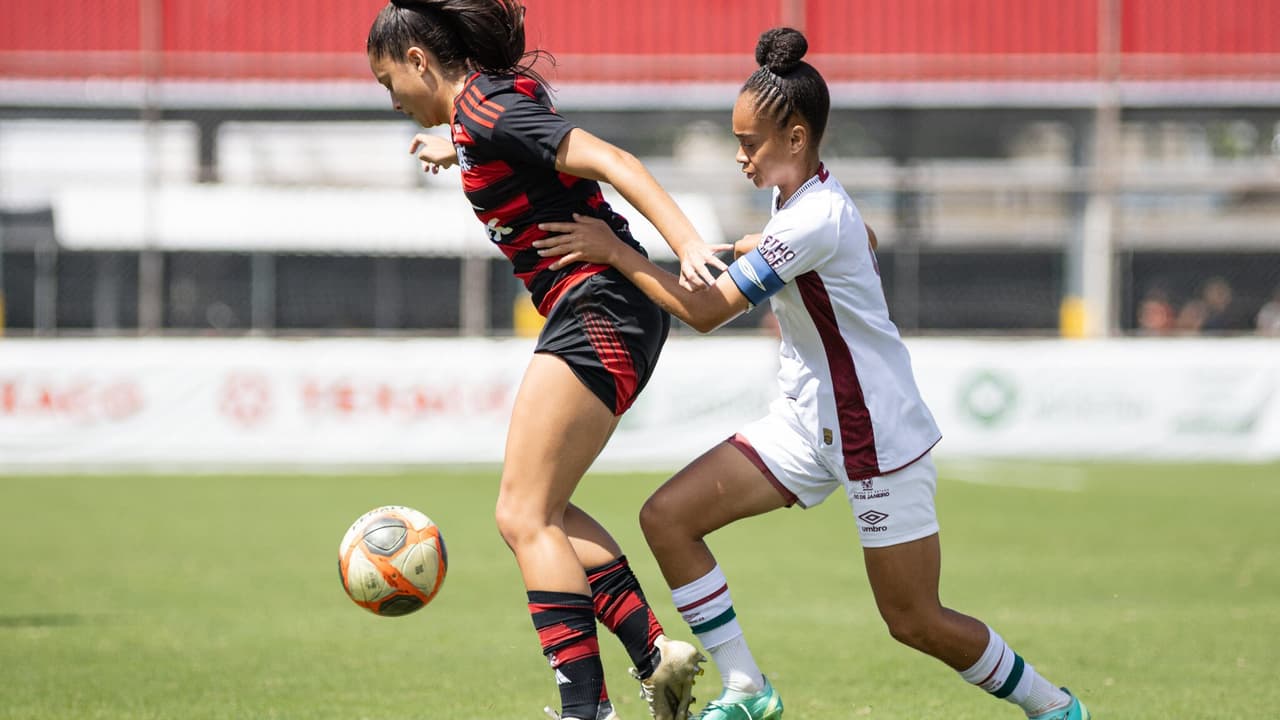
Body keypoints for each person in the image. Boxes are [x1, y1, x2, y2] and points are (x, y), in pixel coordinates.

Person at [534, 27, 1091, 720]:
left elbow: (706, 312)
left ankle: (1056, 708)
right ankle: (748, 689)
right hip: (806, 422)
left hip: (875, 433)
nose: (741, 156)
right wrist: (768, 247)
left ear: (796, 139)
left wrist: (619, 252)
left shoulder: (813, 217)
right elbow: (858, 239)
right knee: (668, 519)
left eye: (750, 143)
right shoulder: (800, 202)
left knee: (914, 620)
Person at [365, 2, 721, 719]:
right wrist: (454, 148)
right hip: (608, 310)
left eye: (387, 81)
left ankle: (585, 710)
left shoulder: (487, 108)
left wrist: (689, 246)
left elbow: (615, 162)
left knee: (523, 514)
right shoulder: (478, 116)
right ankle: (656, 655)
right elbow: (507, 143)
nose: (392, 99)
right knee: (541, 512)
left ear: (417, 61)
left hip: (601, 307)